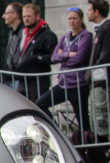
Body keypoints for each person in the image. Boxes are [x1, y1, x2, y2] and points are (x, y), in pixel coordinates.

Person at [36, 7, 93, 135]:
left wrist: (64, 56)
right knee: (40, 103)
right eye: (69, 19)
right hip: (64, 83)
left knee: (83, 119)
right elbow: (53, 57)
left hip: (78, 84)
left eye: (75, 18)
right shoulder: (65, 37)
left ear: (81, 19)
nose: (72, 21)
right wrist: (68, 55)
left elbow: (79, 58)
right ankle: (58, 133)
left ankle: (88, 148)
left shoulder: (86, 36)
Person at [86, 0, 110, 155]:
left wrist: (93, 69)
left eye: (89, 10)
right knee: (97, 116)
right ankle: (107, 150)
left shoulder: (108, 29)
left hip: (104, 80)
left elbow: (106, 56)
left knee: (105, 115)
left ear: (97, 11)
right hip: (96, 80)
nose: (88, 13)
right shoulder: (99, 29)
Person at [14, 3, 58, 102]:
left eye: (29, 16)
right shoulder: (23, 34)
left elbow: (53, 57)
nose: (26, 19)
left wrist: (36, 58)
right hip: (22, 78)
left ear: (38, 16)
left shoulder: (47, 35)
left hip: (38, 80)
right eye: (24, 16)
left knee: (37, 107)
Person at [2, 2, 25, 90]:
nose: (3, 16)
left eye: (6, 13)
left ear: (15, 14)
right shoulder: (11, 33)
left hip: (17, 77)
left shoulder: (23, 32)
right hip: (8, 76)